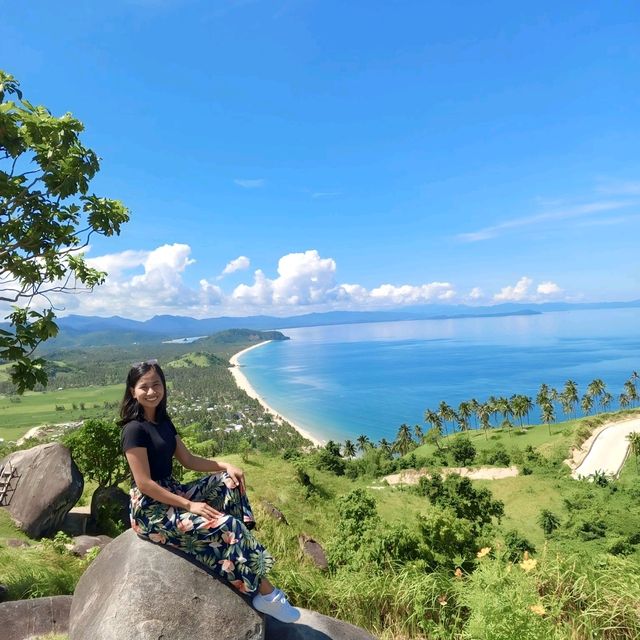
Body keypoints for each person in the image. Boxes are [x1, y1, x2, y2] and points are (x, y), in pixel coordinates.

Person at [119, 359, 300, 623]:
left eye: (156, 384)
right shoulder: (133, 430)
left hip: (172, 492)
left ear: (164, 386)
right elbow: (144, 484)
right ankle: (266, 593)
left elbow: (189, 460)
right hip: (151, 510)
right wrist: (189, 505)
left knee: (228, 481)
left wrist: (226, 465)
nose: (151, 392)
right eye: (143, 386)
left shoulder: (163, 421)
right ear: (132, 391)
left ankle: (237, 550)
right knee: (227, 525)